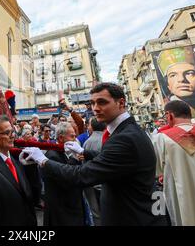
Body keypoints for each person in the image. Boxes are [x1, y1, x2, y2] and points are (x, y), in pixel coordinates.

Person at [23, 83, 166, 226]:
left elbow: (81, 175)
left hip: (133, 218)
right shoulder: (125, 131)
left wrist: (42, 160)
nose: (95, 108)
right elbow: (111, 160)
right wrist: (84, 152)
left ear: (121, 103)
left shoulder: (124, 138)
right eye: (92, 103)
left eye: (102, 102)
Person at [42, 122, 85, 226]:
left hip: (71, 208)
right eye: (72, 136)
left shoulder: (67, 152)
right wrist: (75, 159)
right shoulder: (52, 155)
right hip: (62, 212)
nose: (75, 140)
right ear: (61, 138)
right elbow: (66, 180)